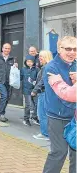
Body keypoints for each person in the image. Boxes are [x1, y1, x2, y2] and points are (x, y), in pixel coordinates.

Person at [43, 36, 76, 173]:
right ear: (59, 49)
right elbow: (64, 96)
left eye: (75, 49)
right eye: (68, 48)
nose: (72, 52)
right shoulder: (51, 68)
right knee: (59, 152)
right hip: (58, 117)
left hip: (74, 117)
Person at [0, 43, 18, 122]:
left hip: (9, 81)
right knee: (4, 96)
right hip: (0, 80)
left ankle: (0, 113)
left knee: (7, 97)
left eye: (8, 48)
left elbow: (14, 70)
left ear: (10, 50)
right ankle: (1, 114)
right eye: (5, 48)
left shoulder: (12, 59)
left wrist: (16, 66)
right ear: (2, 49)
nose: (7, 50)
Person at [31, 50, 53, 140]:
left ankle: (45, 134)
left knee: (42, 114)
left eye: (42, 56)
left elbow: (43, 81)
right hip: (47, 93)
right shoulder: (49, 66)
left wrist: (35, 90)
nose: (40, 58)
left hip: (43, 92)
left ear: (46, 57)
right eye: (39, 56)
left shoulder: (46, 67)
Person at [20, 55, 39, 126]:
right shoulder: (23, 69)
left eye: (31, 62)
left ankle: (34, 117)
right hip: (26, 90)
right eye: (28, 61)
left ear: (33, 62)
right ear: (26, 62)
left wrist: (35, 84)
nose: (29, 63)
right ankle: (26, 119)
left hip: (34, 89)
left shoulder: (37, 70)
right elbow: (20, 77)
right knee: (28, 105)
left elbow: (38, 79)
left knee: (37, 104)